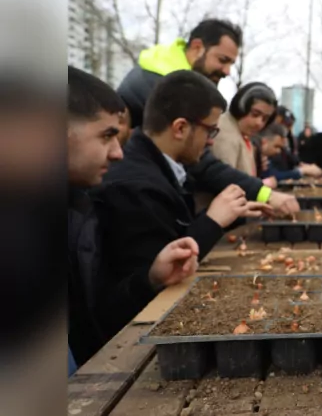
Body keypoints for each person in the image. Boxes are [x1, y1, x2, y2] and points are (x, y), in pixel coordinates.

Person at [92, 70, 271, 337]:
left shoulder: (157, 166)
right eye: (210, 130)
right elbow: (158, 278)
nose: (211, 140)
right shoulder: (136, 186)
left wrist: (231, 214)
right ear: (180, 128)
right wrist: (213, 220)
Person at [68, 66, 200, 367]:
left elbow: (94, 322)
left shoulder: (77, 213)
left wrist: (149, 279)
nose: (117, 153)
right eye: (106, 136)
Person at [115, 18, 299, 216]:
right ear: (197, 47)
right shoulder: (167, 88)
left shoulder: (161, 75)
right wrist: (264, 194)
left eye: (231, 63)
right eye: (222, 60)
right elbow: (202, 164)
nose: (227, 72)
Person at [211, 82, 277, 177]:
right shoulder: (225, 134)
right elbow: (225, 182)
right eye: (255, 114)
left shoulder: (241, 132)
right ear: (240, 107)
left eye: (265, 119)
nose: (259, 123)